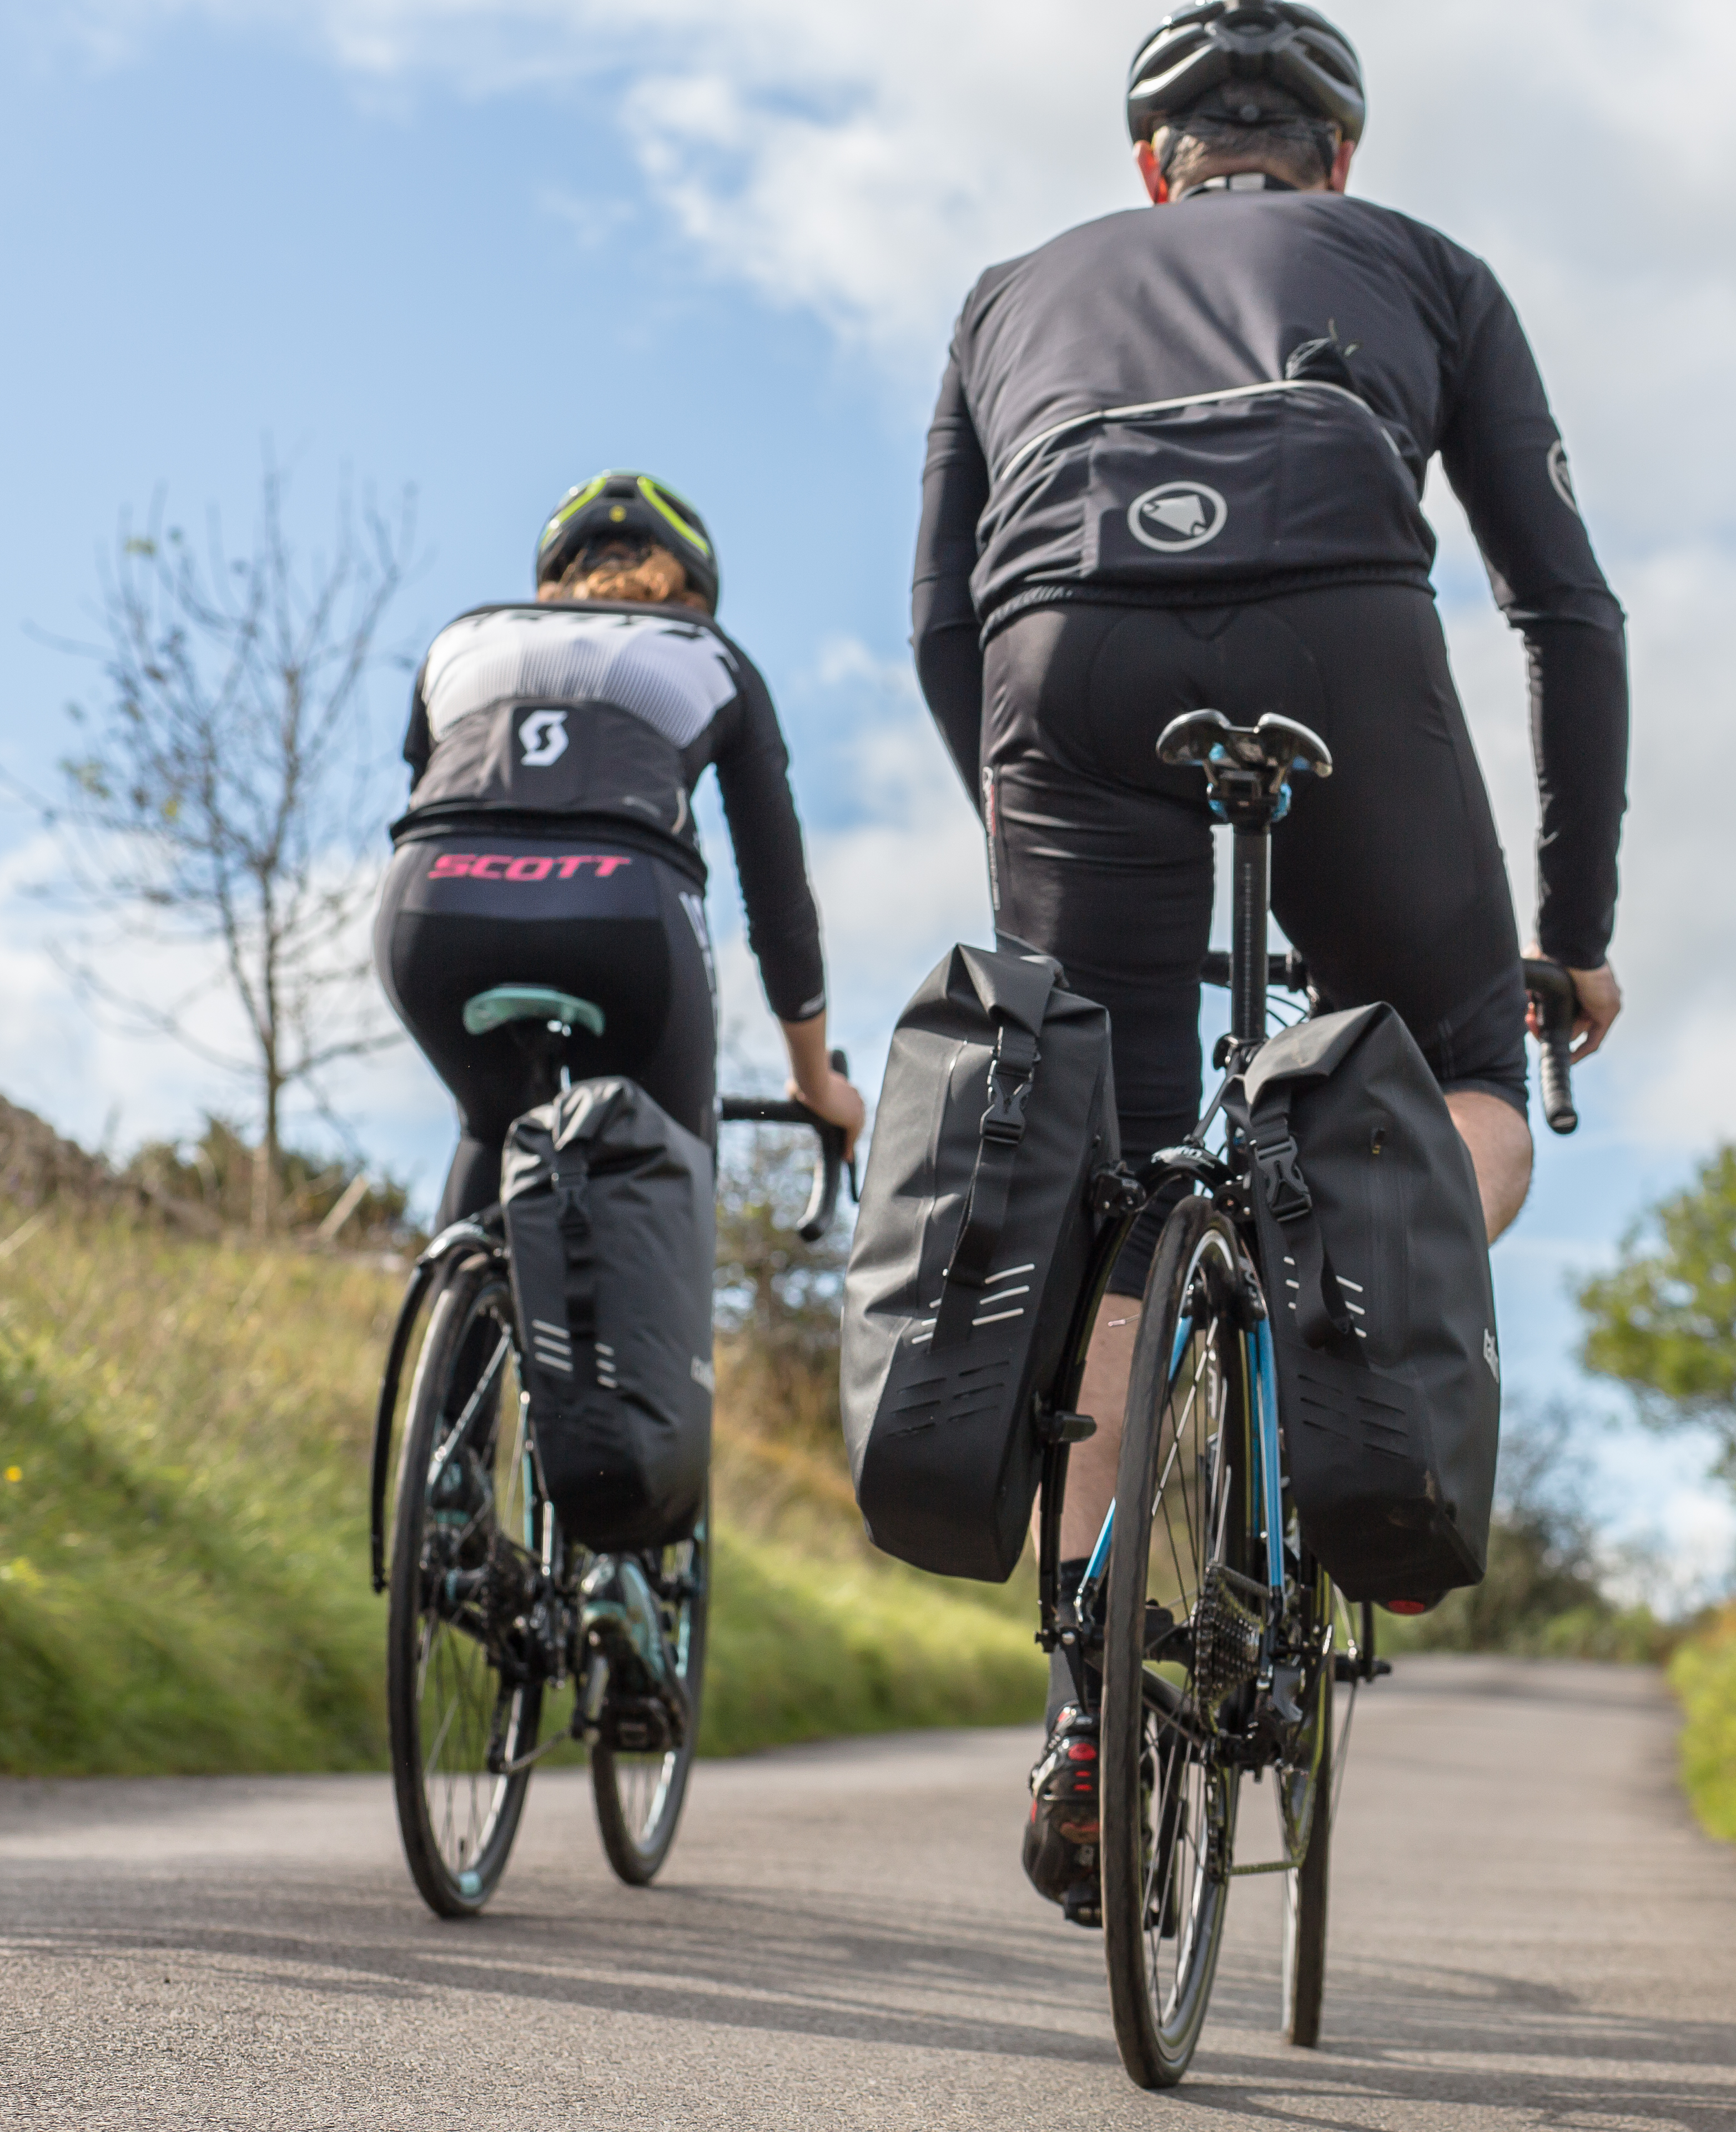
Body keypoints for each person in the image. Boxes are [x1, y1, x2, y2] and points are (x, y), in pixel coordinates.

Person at [909, 4, 1630, 1920]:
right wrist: (1574, 939)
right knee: (1469, 1082)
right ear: (1338, 156)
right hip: (1343, 646)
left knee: (1110, 1178)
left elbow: (936, 625)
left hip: (1066, 672)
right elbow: (1565, 608)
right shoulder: (1427, 269)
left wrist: (1051, 828)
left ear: (1155, 164)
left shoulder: (1012, 291)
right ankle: (1334, 1337)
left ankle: (1086, 1687)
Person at [378, 469, 866, 1234]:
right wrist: (814, 1083)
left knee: (492, 1118)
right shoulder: (708, 649)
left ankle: (449, 1316)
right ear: (692, 594)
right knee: (662, 1160)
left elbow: (425, 799)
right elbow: (778, 903)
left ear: (551, 586)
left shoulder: (463, 637)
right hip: (628, 912)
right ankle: (656, 1349)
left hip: (429, 902)